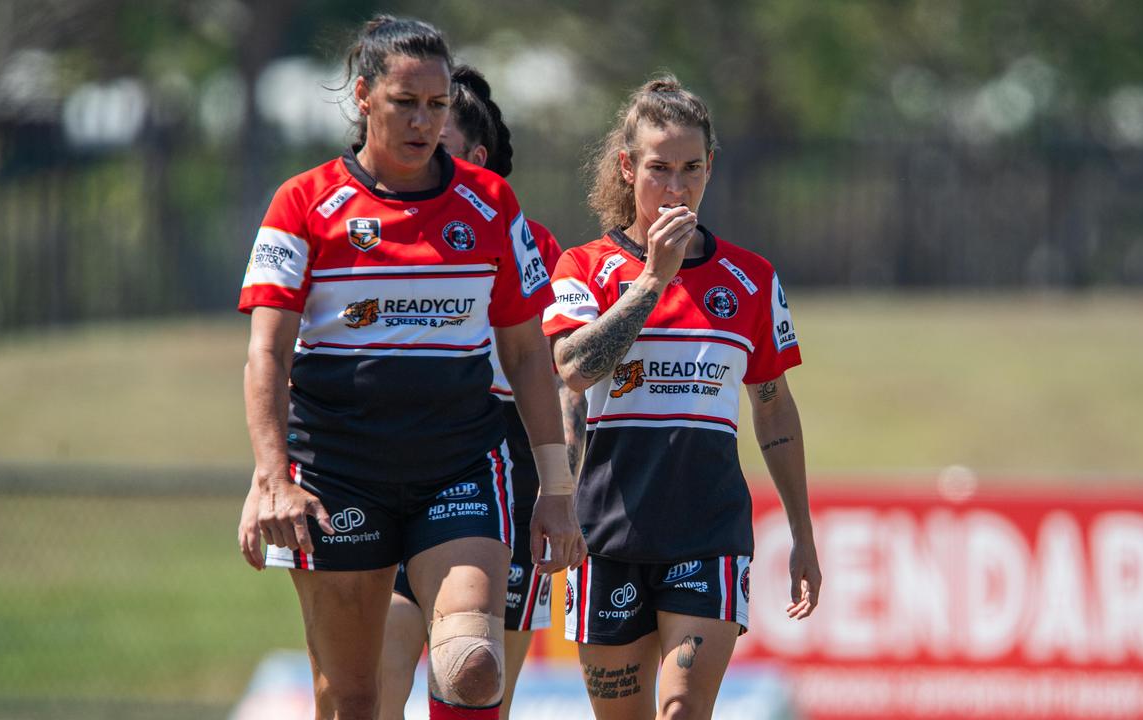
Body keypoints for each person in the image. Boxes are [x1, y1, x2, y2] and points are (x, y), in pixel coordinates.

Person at [236, 16, 584, 720]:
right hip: (337, 472)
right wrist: (271, 480)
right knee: (352, 698)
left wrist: (556, 487)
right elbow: (269, 353)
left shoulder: (490, 204)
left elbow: (526, 354)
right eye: (406, 103)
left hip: (459, 463)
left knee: (473, 664)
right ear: (363, 96)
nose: (424, 121)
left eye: (436, 105)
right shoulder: (302, 204)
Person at [542, 75, 821, 719]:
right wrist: (651, 283)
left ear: (710, 166)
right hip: (606, 533)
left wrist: (802, 533)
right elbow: (574, 367)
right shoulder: (583, 269)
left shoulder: (750, 279)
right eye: (659, 169)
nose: (676, 187)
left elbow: (774, 408)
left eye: (692, 168)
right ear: (626, 167)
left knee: (681, 711)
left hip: (709, 531)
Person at [375, 64, 572, 720]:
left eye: (442, 138)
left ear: (477, 159)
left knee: (473, 686)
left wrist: (556, 491)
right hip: (384, 477)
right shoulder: (377, 227)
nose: (422, 146)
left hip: (496, 488)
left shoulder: (528, 243)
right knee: (367, 690)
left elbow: (551, 367)